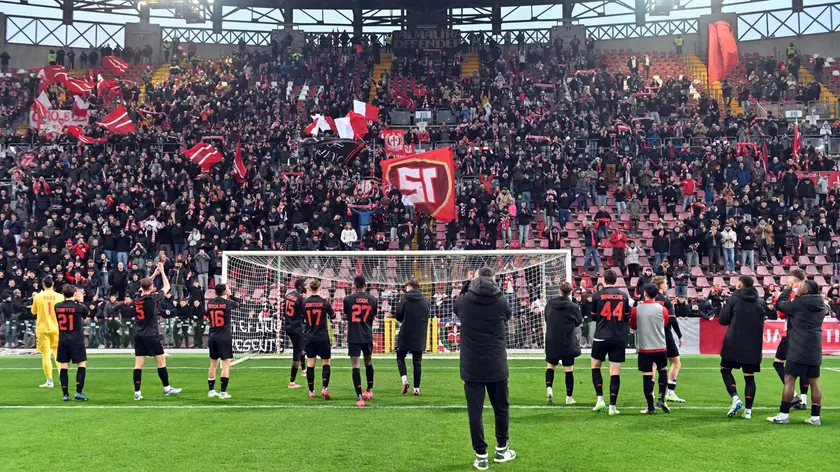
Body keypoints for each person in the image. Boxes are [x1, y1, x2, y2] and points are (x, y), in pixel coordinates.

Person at [454, 267, 516, 470]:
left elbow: (457, 306)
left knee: (475, 412)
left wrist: (468, 284)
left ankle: (481, 455)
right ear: (493, 279)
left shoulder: (464, 301)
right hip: (496, 364)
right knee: (501, 408)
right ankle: (501, 449)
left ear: (475, 279)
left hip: (472, 366)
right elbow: (508, 315)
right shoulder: (501, 301)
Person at [768, 279, 826, 425]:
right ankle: (815, 417)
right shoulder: (821, 304)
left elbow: (780, 305)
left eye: (799, 287)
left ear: (806, 291)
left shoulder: (800, 302)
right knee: (814, 382)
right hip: (814, 347)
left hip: (798, 347)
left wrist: (786, 291)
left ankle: (783, 415)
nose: (796, 288)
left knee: (789, 379)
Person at [132, 262, 181, 400]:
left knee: (138, 365)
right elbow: (167, 286)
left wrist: (154, 273)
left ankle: (137, 393)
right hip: (151, 335)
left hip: (139, 335)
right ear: (152, 288)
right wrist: (163, 271)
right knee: (161, 362)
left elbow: (144, 285)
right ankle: (167, 388)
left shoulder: (137, 298)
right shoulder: (152, 298)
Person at [719, 276, 765, 420]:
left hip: (734, 342)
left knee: (725, 369)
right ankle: (748, 412)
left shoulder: (733, 299)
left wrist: (724, 305)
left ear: (739, 284)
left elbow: (723, 320)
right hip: (752, 344)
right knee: (749, 377)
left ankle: (735, 398)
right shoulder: (760, 301)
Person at [590, 270, 631, 415]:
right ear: (616, 280)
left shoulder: (597, 295)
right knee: (615, 371)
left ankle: (600, 400)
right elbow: (627, 317)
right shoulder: (624, 296)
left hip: (601, 335)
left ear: (604, 279)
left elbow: (594, 317)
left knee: (595, 365)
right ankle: (613, 407)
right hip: (618, 337)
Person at [630, 284, 670, 415]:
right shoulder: (663, 309)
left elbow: (633, 326)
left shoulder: (637, 309)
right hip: (660, 346)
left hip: (645, 348)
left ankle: (650, 407)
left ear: (645, 293)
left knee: (647, 376)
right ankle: (661, 398)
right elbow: (665, 323)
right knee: (662, 371)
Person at [772, 268, 809, 410]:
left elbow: (782, 314)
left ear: (793, 280)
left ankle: (793, 397)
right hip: (807, 336)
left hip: (791, 334)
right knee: (805, 367)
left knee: (780, 364)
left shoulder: (793, 293)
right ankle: (804, 401)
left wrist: (779, 297)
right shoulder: (811, 293)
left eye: (788, 278)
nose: (787, 281)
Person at [544, 281, 582, 405]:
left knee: (551, 366)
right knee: (568, 369)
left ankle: (549, 388)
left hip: (552, 340)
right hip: (567, 340)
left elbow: (546, 318)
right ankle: (569, 398)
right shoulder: (573, 306)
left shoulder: (549, 304)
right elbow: (578, 322)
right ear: (570, 292)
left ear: (559, 290)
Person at [343, 275, 378, 407]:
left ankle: (359, 397)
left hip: (354, 335)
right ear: (365, 284)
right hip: (367, 334)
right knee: (368, 361)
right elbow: (373, 317)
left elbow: (346, 317)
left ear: (354, 285)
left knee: (355, 365)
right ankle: (369, 390)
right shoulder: (372, 299)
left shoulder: (348, 299)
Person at [54, 284, 90, 401]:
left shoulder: (57, 306)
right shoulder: (79, 307)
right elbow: (87, 313)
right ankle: (79, 392)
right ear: (75, 294)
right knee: (81, 364)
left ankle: (65, 394)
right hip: (77, 340)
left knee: (64, 366)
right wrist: (80, 300)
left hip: (63, 340)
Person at [652, 276, 685, 403]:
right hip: (665, 333)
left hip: (651, 334)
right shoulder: (666, 300)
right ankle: (670, 392)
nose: (666, 286)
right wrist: (680, 335)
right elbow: (672, 319)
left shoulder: (648, 299)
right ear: (660, 285)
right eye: (665, 284)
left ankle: (651, 393)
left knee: (653, 364)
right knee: (676, 363)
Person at [395, 279, 430, 395]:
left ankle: (404, 380)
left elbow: (398, 315)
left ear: (410, 287)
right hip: (420, 334)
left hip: (405, 332)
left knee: (400, 357)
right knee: (417, 362)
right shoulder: (426, 300)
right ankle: (416, 388)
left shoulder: (404, 298)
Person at [303, 279, 335, 399]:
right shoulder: (324, 302)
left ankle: (311, 391)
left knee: (310, 364)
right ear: (320, 288)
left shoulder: (305, 303)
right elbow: (333, 316)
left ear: (310, 289)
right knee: (326, 362)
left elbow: (302, 319)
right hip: (322, 336)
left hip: (310, 336)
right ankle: (324, 388)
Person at [205, 284, 239, 399]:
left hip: (212, 335)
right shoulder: (227, 303)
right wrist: (230, 294)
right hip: (224, 336)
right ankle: (223, 392)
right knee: (226, 363)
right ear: (224, 291)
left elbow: (207, 315)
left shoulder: (210, 303)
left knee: (213, 363)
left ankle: (211, 391)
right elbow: (240, 303)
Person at [31, 276, 64, 388]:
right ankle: (62, 379)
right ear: (53, 283)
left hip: (42, 329)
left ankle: (49, 381)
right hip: (56, 328)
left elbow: (33, 311)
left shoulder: (38, 297)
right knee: (58, 354)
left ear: (43, 285)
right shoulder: (60, 296)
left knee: (45, 354)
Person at [283, 279, 307, 388]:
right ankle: (291, 382)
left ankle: (304, 370)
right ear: (301, 287)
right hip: (296, 327)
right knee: (297, 353)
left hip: (287, 325)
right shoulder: (300, 298)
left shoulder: (288, 295)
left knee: (301, 347)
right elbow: (305, 313)